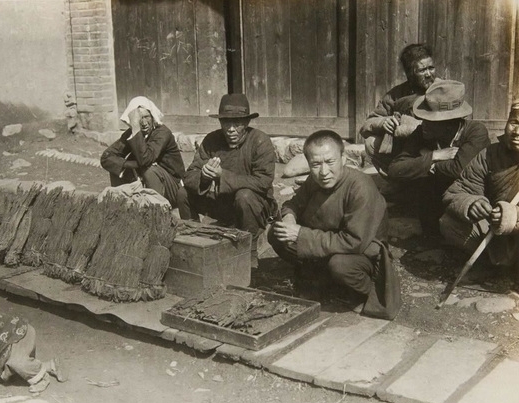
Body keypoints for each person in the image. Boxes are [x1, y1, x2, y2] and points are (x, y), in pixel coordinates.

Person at [268, 130, 396, 318]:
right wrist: (289, 218)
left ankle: (363, 292)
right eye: (315, 164)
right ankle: (319, 279)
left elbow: (354, 242)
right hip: (329, 242)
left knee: (339, 265)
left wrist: (300, 235)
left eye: (330, 162)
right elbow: (292, 204)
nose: (323, 172)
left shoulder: (360, 187)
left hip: (360, 254)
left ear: (343, 158)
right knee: (277, 233)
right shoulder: (315, 179)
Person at [176, 93, 277, 267]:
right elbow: (190, 174)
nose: (231, 129)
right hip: (222, 204)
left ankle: (250, 252)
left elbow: (263, 182)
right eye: (226, 123)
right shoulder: (211, 140)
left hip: (254, 207)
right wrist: (204, 176)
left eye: (237, 123)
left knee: (244, 196)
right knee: (183, 193)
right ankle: (195, 240)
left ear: (246, 123)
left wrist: (222, 176)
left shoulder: (260, 141)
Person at [388, 79, 489, 235]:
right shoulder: (423, 132)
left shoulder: (475, 132)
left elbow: (460, 169)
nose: (423, 124)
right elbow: (395, 169)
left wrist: (431, 165)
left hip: (468, 200)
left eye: (430, 121)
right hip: (433, 199)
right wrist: (433, 155)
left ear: (449, 123)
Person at [441, 103, 519, 283]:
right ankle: (488, 265)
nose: (517, 131)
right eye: (514, 122)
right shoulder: (489, 155)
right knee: (449, 222)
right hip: (495, 233)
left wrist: (512, 217)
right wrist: (471, 203)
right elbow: (457, 191)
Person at [360, 44, 437, 175]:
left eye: (431, 68)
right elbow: (367, 125)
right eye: (422, 70)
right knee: (371, 143)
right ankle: (396, 177)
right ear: (409, 73)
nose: (429, 74)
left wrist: (414, 126)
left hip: (434, 146)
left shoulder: (443, 90)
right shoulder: (396, 94)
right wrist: (384, 122)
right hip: (406, 149)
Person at [100, 96, 184, 206]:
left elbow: (145, 159)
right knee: (117, 166)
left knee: (149, 169)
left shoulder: (162, 133)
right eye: (139, 118)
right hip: (146, 182)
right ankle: (122, 205)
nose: (144, 122)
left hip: (172, 187)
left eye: (146, 117)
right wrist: (129, 164)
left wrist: (135, 128)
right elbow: (106, 157)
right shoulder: (133, 133)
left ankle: (157, 208)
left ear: (153, 116)